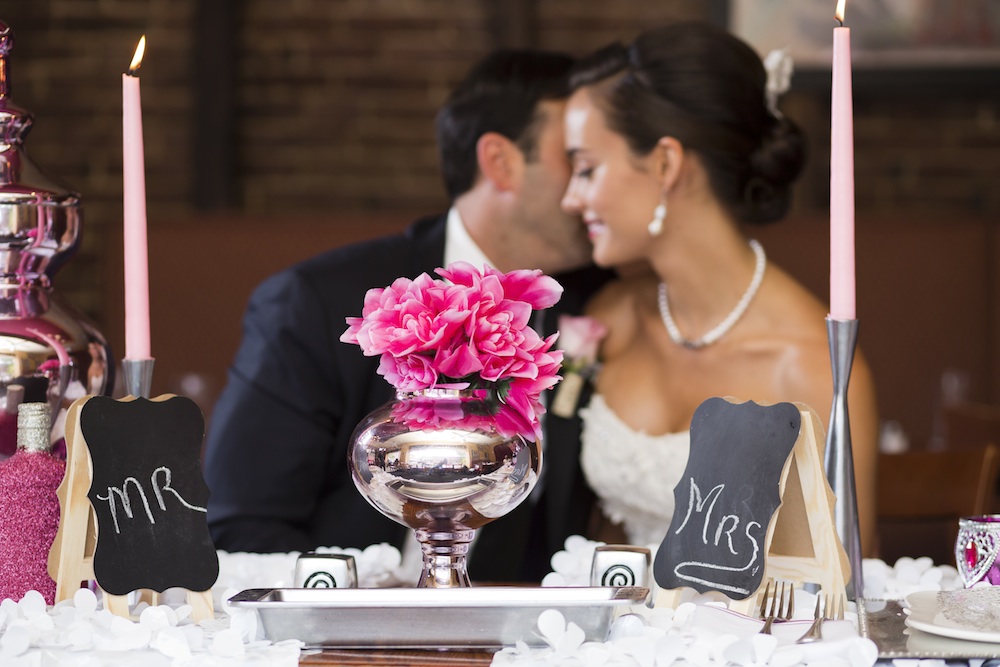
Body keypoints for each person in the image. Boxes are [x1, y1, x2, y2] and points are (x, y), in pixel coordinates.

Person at [202, 49, 610, 582]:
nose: (588, 189)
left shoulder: (605, 304)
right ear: (502, 162)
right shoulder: (317, 301)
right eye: (576, 161)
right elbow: (241, 529)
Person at [559, 22, 879, 554]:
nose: (571, 198)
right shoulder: (607, 321)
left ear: (665, 163)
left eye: (586, 169)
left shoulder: (810, 365)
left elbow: (840, 591)